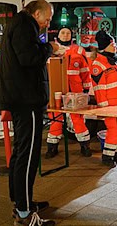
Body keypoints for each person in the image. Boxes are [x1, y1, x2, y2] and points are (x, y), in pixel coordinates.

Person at [0, 0, 59, 225]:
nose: (48, 23)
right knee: (28, 155)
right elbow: (29, 58)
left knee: (21, 152)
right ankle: (24, 212)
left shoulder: (19, 24)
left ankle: (22, 201)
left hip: (20, 98)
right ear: (38, 13)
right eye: (48, 18)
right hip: (26, 100)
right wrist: (50, 48)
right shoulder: (24, 26)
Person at [46, 27, 92, 158]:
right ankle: (52, 147)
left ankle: (85, 146)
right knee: (55, 117)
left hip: (75, 89)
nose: (65, 35)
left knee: (77, 118)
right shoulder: (50, 49)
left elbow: (85, 71)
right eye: (62, 33)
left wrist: (86, 89)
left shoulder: (79, 50)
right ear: (58, 34)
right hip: (56, 89)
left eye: (68, 33)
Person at [90, 31, 117, 167]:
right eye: (112, 44)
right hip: (110, 106)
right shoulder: (99, 65)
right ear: (105, 46)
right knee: (113, 130)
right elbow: (99, 89)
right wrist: (105, 108)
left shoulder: (116, 62)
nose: (115, 46)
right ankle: (108, 156)